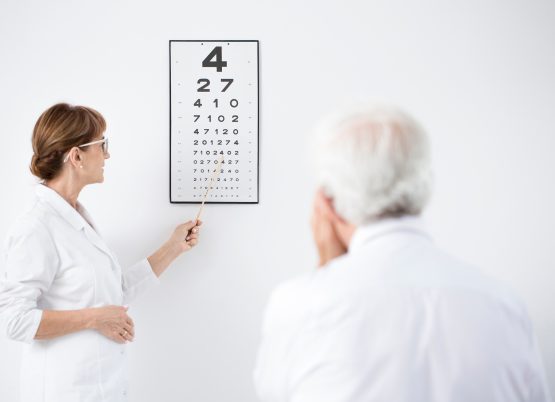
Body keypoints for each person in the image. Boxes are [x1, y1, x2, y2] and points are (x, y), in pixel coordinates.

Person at [254, 105, 551, 402]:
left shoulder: (299, 305)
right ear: (425, 184)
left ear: (326, 203)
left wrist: (327, 271)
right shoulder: (504, 303)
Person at [0, 103, 201, 402]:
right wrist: (94, 319)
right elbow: (13, 320)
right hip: (61, 391)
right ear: (77, 155)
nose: (107, 155)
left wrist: (173, 247)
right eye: (101, 144)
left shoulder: (75, 216)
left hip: (97, 388)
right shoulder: (37, 226)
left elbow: (112, 294)